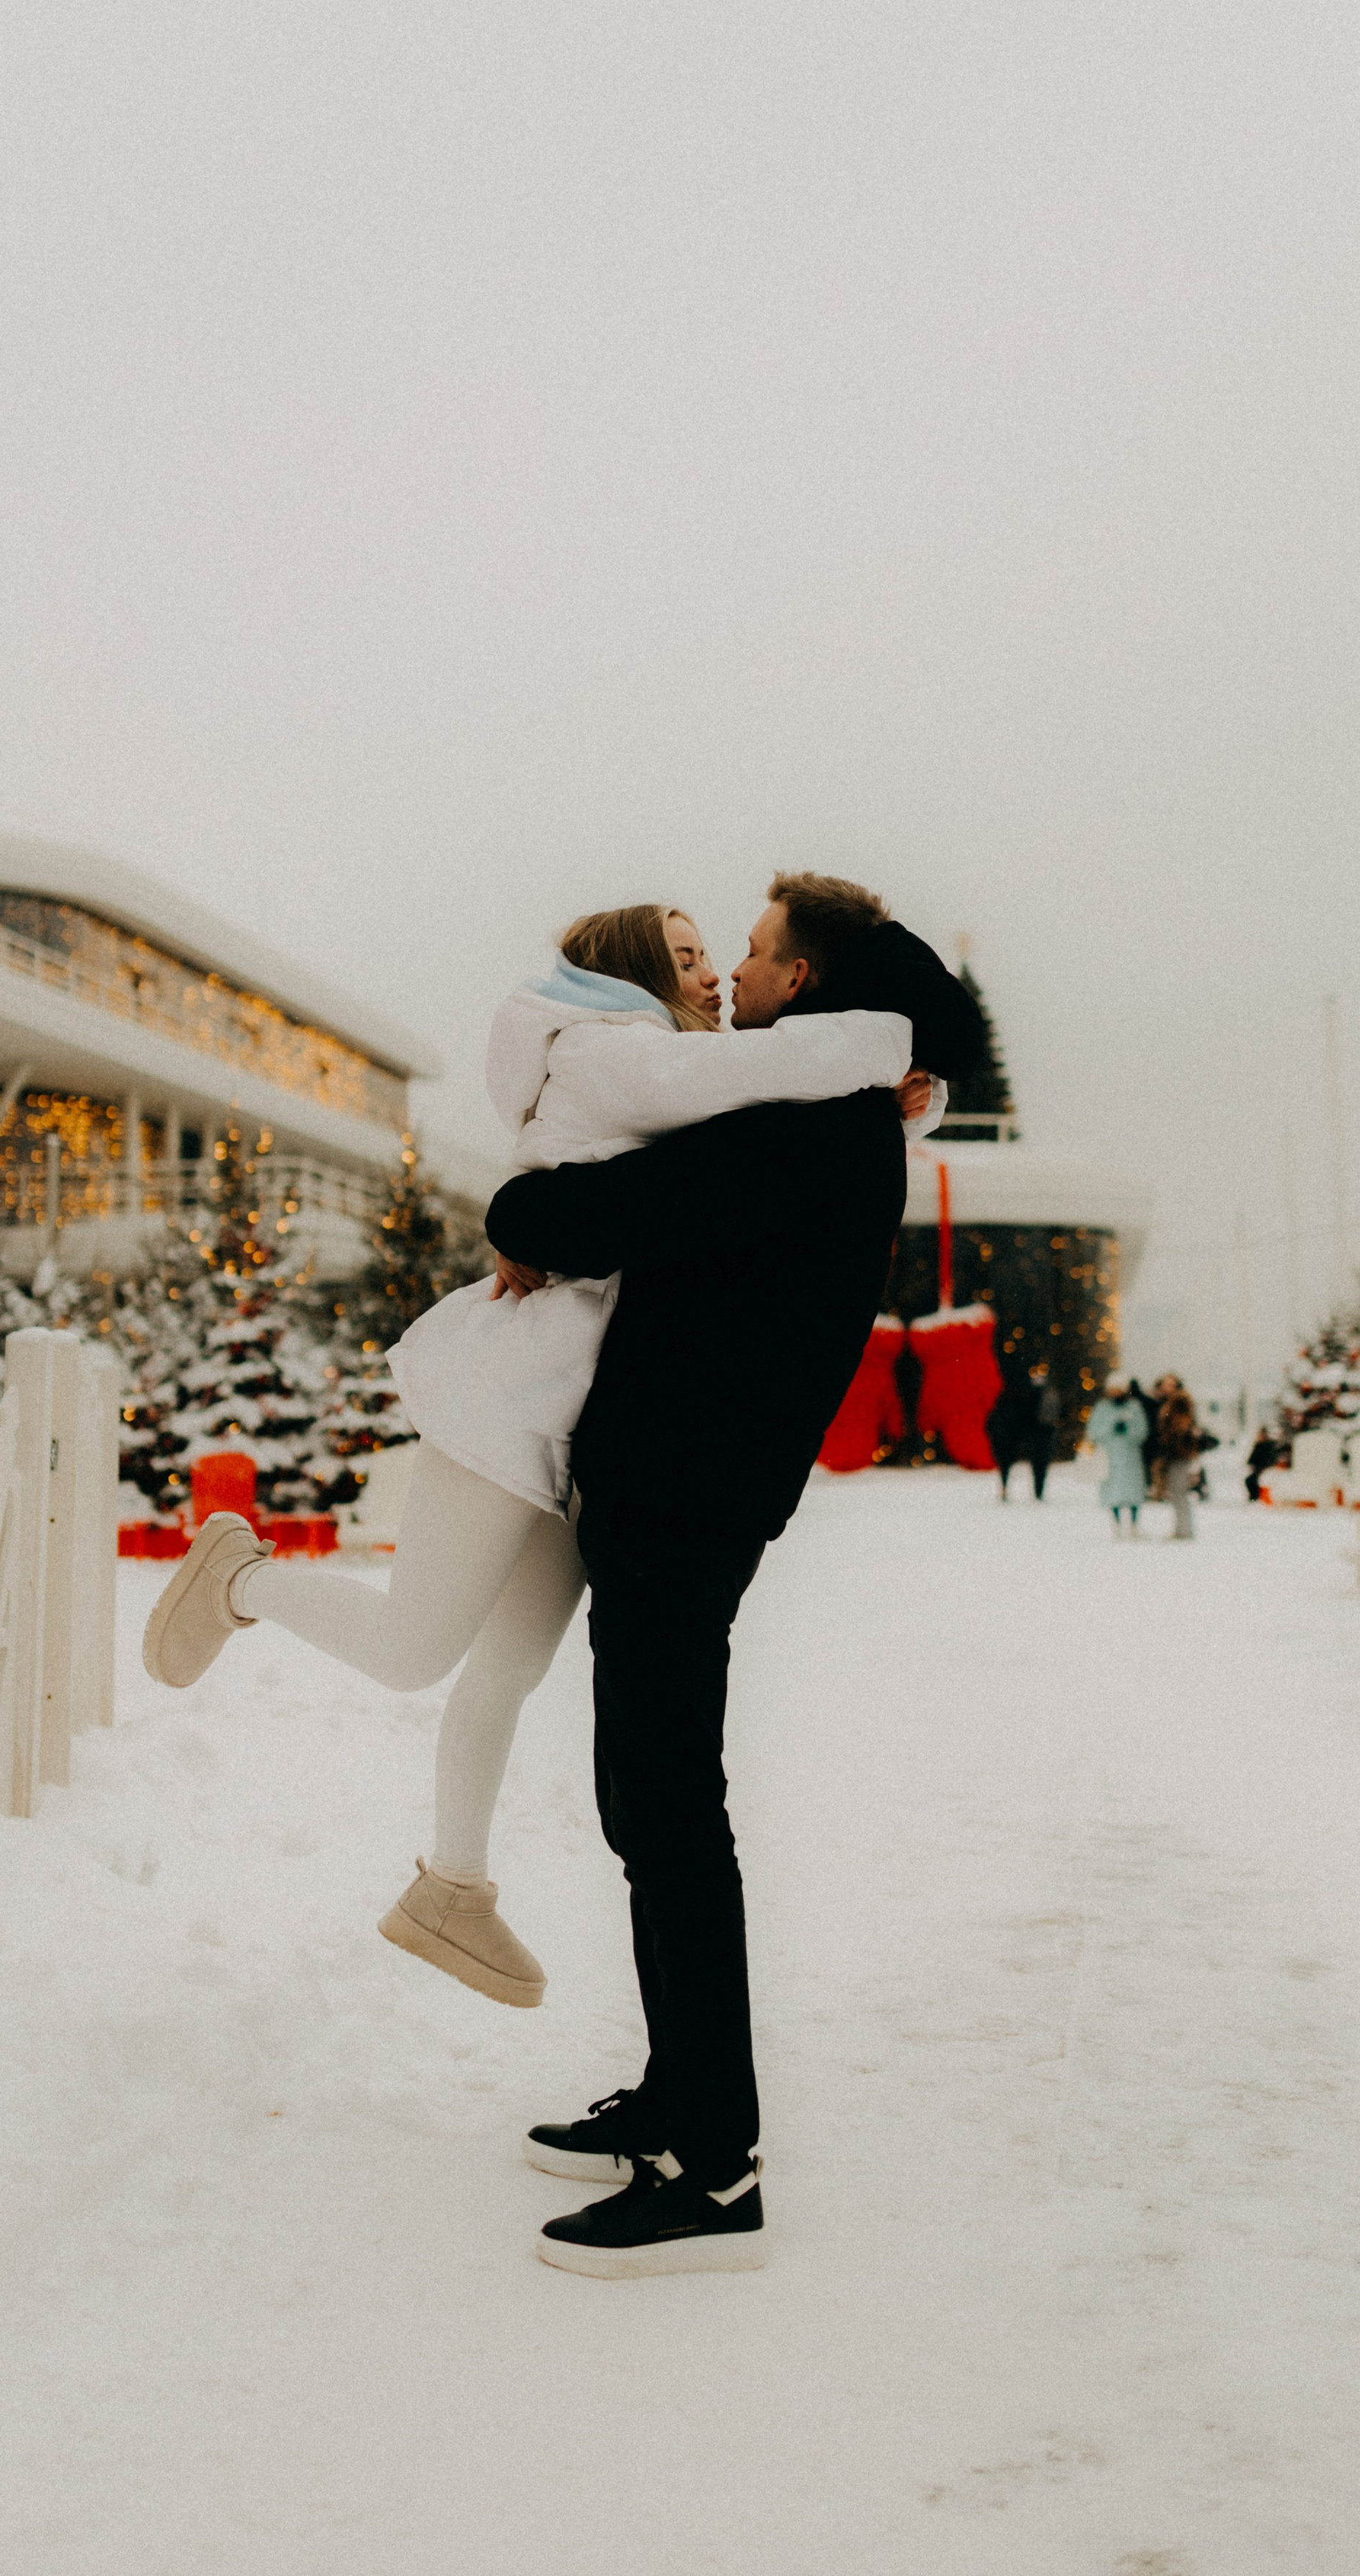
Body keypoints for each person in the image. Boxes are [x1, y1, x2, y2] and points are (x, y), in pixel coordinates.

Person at [139, 900, 930, 2011]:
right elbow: (725, 1099)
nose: (714, 977)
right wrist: (872, 1048)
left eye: (725, 957)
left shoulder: (668, 1069)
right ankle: (240, 1578)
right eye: (693, 958)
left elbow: (758, 1166)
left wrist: (892, 1118)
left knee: (510, 1668)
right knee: (419, 1651)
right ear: (636, 973)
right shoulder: (612, 1056)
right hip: (507, 1396)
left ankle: (451, 1891)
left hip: (577, 1425)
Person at [485, 874, 987, 2277]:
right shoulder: (817, 1118)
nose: (740, 975)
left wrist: (522, 1209)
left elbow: (589, 1210)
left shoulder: (813, 1130)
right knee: (643, 1801)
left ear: (809, 984)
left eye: (761, 954)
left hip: (689, 1494)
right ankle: (674, 2093)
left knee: (672, 1813)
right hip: (674, 1488)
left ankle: (712, 2165)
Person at [984, 1363, 1060, 1499]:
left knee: (1018, 1466)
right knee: (1038, 1466)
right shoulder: (1041, 1397)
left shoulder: (1024, 1399)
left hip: (1024, 1436)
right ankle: (1036, 1491)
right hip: (1031, 1436)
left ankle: (1026, 1490)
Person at [1152, 1373, 1214, 1540]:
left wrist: (1170, 1442)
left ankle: (1184, 1531)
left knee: (1178, 1493)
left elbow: (1180, 1428)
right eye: (1165, 1384)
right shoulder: (1170, 1402)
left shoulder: (1179, 1402)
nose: (1167, 1388)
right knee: (1177, 1493)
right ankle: (1182, 1529)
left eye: (1171, 1384)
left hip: (1178, 1453)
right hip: (1177, 1452)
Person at [1086, 1372, 1149, 1537]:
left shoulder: (1134, 1407)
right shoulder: (1102, 1408)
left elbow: (1142, 1431)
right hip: (1110, 1456)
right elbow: (1093, 1431)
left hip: (1130, 1457)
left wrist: (1128, 1430)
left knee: (1133, 1493)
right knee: (1113, 1492)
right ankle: (1117, 1524)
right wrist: (1111, 1428)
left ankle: (1134, 1525)